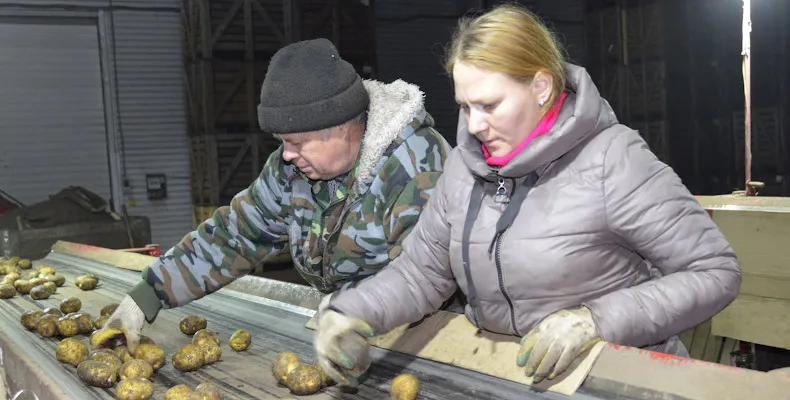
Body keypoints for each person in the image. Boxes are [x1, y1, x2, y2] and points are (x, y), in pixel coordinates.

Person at [314, 4, 742, 387]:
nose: (474, 125)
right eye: (465, 106)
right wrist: (352, 311)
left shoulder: (613, 159)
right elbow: (420, 274)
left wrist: (595, 320)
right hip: (507, 376)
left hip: (617, 377)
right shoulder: (464, 169)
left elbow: (714, 271)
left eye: (489, 105)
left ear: (541, 87)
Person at [94, 38, 453, 351]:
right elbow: (236, 234)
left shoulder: (415, 168)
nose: (286, 154)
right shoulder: (293, 170)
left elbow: (420, 279)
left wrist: (352, 316)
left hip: (430, 339)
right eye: (281, 142)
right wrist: (149, 294)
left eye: (297, 142)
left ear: (343, 125)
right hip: (346, 332)